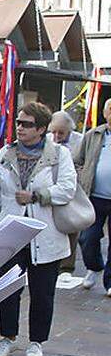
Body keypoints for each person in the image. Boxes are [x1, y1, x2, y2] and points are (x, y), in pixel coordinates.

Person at [0, 102, 77, 356]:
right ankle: (7, 338)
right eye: (18, 122)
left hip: (45, 235)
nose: (20, 128)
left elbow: (68, 188)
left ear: (41, 129)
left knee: (42, 291)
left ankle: (36, 341)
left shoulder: (58, 155)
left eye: (26, 124)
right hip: (11, 234)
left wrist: (37, 196)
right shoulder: (7, 152)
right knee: (7, 287)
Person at [73, 98, 111, 294]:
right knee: (88, 237)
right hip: (94, 196)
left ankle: (110, 282)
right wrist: (84, 176)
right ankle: (94, 267)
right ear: (105, 114)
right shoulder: (94, 135)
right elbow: (78, 161)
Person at [50, 111, 82, 271]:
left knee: (70, 225)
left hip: (72, 189)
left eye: (61, 133)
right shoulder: (48, 140)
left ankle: (67, 264)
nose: (56, 136)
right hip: (51, 188)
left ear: (69, 130)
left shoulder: (79, 140)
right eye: (53, 132)